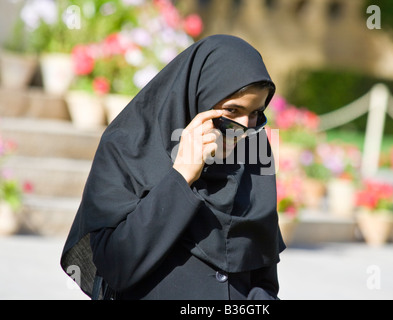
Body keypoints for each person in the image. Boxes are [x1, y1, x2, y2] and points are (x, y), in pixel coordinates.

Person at [60, 34, 285, 300]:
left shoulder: (253, 154)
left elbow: (263, 280)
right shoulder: (127, 148)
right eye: (232, 113)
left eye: (256, 114)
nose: (244, 130)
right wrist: (181, 176)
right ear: (199, 99)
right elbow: (116, 266)